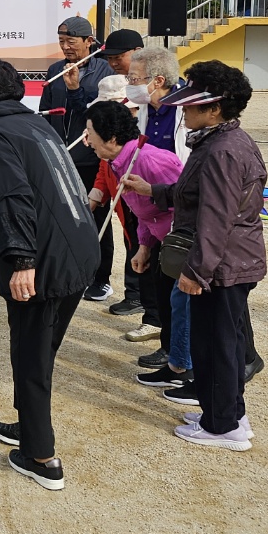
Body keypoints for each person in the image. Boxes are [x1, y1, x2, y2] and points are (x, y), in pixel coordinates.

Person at [0, 55, 99, 492]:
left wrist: (22, 261)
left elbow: (11, 198)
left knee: (32, 356)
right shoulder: (35, 123)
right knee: (39, 350)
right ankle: (27, 423)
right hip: (78, 249)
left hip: (44, 259)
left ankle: (42, 457)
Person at [123, 62, 267, 451]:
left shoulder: (221, 151)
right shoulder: (226, 142)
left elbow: (216, 217)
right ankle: (226, 412)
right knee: (226, 342)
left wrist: (197, 271)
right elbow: (196, 195)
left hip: (221, 264)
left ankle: (223, 427)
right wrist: (154, 190)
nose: (183, 113)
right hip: (232, 261)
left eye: (190, 107)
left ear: (215, 109)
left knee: (214, 343)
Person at [84, 101, 187, 390]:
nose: (87, 138)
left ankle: (184, 367)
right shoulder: (115, 162)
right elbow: (144, 210)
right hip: (161, 242)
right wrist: (144, 246)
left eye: (91, 131)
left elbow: (187, 203)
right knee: (166, 301)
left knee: (183, 306)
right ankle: (172, 359)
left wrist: (176, 246)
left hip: (183, 244)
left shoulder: (152, 160)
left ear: (113, 139)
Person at [125, 47, 201, 372]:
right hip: (155, 209)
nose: (129, 84)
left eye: (134, 79)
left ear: (157, 80)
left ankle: (183, 360)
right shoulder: (146, 107)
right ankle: (170, 350)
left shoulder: (189, 110)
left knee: (181, 290)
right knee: (160, 280)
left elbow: (190, 169)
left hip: (184, 211)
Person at [38, 16, 113, 302]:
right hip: (60, 155)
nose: (65, 47)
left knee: (96, 219)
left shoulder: (104, 71)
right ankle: (72, 272)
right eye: (61, 42)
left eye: (71, 41)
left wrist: (74, 89)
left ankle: (101, 278)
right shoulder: (55, 69)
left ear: (88, 42)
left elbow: (98, 114)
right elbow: (46, 111)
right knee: (64, 216)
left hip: (91, 158)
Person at [85, 75, 146, 329]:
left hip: (145, 209)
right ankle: (135, 295)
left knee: (144, 250)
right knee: (132, 245)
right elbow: (104, 170)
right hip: (124, 207)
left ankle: (147, 307)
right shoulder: (109, 138)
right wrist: (95, 197)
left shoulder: (142, 136)